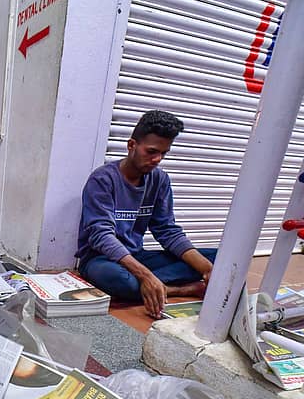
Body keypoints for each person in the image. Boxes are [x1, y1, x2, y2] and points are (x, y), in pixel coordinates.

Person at [75, 110, 217, 317]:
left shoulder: (159, 180)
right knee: (119, 279)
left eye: (163, 153)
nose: (157, 159)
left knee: (220, 260)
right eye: (151, 152)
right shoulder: (102, 180)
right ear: (132, 145)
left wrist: (207, 269)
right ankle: (175, 289)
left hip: (137, 256)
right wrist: (146, 276)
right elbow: (101, 236)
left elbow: (167, 230)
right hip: (100, 260)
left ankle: (149, 285)